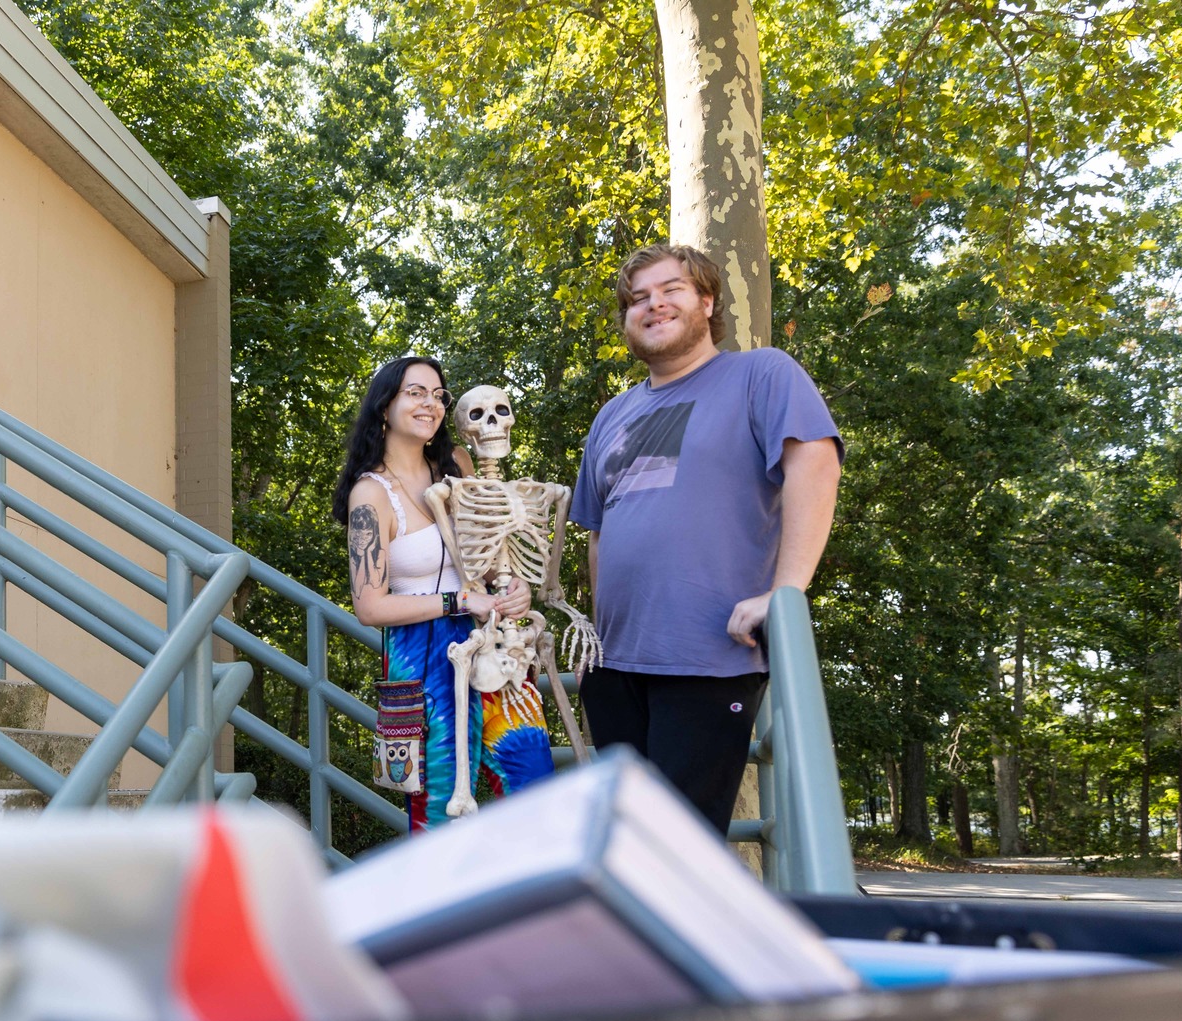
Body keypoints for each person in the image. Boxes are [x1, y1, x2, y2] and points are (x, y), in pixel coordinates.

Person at [569, 244, 842, 835]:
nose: (653, 304)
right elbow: (599, 535)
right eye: (638, 298)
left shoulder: (761, 373)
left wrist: (787, 591)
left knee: (681, 850)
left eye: (671, 289)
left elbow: (816, 464)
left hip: (708, 657)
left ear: (708, 300)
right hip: (614, 667)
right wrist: (596, 637)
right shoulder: (611, 414)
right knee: (624, 846)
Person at [335, 355, 553, 834]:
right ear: (384, 405)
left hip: (493, 641)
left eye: (438, 395)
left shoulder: (457, 465)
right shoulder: (370, 496)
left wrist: (513, 586)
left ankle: (528, 904)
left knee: (533, 778)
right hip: (422, 655)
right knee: (439, 809)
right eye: (415, 392)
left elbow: (491, 554)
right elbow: (370, 607)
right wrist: (459, 603)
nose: (430, 404)